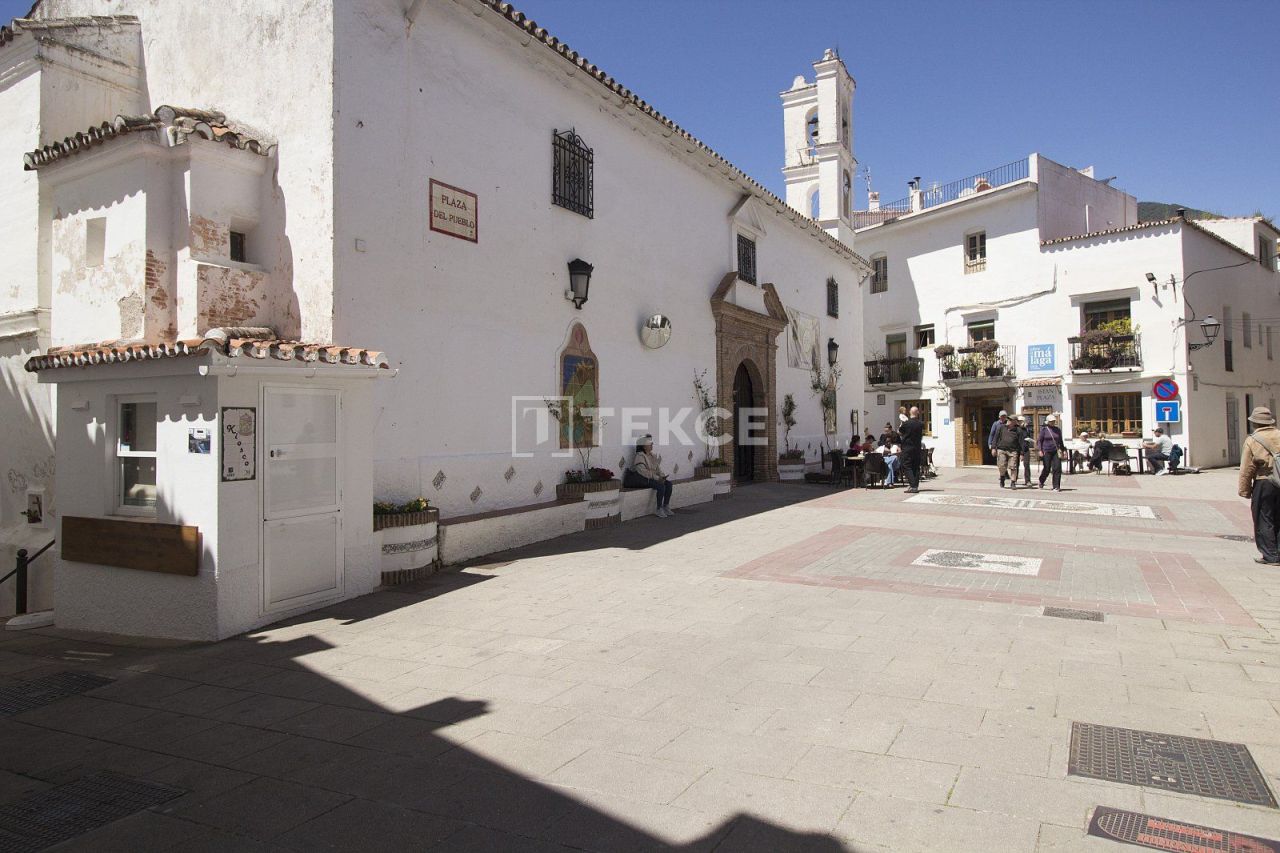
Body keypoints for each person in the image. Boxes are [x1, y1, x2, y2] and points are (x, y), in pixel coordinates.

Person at [1239, 407, 1280, 565]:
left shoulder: (1253, 439)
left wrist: (1244, 490)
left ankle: (1270, 555)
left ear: (1254, 423)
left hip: (1264, 481)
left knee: (1264, 518)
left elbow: (1247, 468)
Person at [626, 435, 674, 517]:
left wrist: (662, 477)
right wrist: (657, 478)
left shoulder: (652, 455)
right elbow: (643, 472)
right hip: (644, 479)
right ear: (644, 446)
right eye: (650, 443)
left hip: (653, 478)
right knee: (661, 486)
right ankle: (659, 509)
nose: (652, 444)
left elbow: (658, 469)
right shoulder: (639, 456)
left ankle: (666, 506)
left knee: (668, 484)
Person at [989, 411, 1021, 489]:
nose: (1008, 421)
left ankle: (1013, 482)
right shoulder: (1001, 427)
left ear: (1014, 422)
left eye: (1011, 420)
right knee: (1002, 465)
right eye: (1008, 419)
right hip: (1001, 449)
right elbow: (995, 437)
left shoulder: (1018, 430)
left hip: (1013, 450)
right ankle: (1002, 477)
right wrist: (993, 448)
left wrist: (1022, 453)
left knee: (1013, 467)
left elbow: (1021, 442)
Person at [899, 406, 925, 493]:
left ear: (910, 412)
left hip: (907, 448)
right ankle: (915, 486)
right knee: (916, 467)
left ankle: (913, 485)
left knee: (906, 466)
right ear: (917, 413)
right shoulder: (920, 424)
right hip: (917, 448)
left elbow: (900, 431)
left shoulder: (906, 423)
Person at [1037, 414, 1065, 491]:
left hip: (1055, 451)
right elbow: (1040, 441)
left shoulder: (1057, 430)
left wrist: (1063, 450)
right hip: (1046, 451)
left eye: (1053, 421)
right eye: (1051, 421)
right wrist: (1040, 450)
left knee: (1057, 468)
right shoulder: (1044, 430)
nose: (1052, 422)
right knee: (1047, 468)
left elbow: (1060, 441)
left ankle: (1056, 486)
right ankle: (1041, 480)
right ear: (1047, 422)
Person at [1015, 415, 1033, 486]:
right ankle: (1014, 479)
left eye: (1021, 421)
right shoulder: (1016, 429)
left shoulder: (1026, 429)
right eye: (1019, 421)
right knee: (1016, 465)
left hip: (1025, 449)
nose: (1020, 422)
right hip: (1017, 449)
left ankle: (1028, 480)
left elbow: (1027, 439)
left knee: (1026, 465)